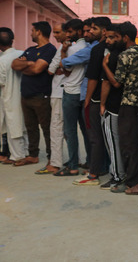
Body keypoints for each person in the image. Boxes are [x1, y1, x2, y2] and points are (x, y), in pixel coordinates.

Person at [103, 22, 138, 194]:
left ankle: (131, 181)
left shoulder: (124, 55)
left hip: (128, 104)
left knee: (128, 144)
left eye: (117, 37)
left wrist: (105, 66)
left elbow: (116, 82)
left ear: (125, 38)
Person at [11, 21, 57, 167]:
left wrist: (27, 65)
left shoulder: (50, 49)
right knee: (30, 127)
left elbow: (38, 69)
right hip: (26, 95)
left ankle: (52, 157)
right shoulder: (30, 50)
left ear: (38, 32)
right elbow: (14, 65)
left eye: (32, 30)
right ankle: (33, 155)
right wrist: (30, 64)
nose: (30, 33)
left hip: (41, 95)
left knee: (47, 128)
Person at [52, 19, 89, 177]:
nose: (67, 35)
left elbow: (65, 71)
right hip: (82, 92)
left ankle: (73, 166)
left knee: (70, 131)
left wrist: (62, 52)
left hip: (71, 91)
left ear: (79, 32)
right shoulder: (88, 47)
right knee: (86, 130)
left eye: (70, 31)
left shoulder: (72, 49)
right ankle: (90, 162)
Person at [80, 17, 112, 185]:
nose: (90, 31)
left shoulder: (98, 49)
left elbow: (92, 78)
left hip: (97, 97)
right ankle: (105, 168)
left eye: (94, 28)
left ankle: (93, 173)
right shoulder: (115, 48)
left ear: (104, 31)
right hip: (112, 99)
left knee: (95, 137)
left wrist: (87, 100)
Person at [100, 23, 127, 191]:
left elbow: (108, 84)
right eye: (107, 37)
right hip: (124, 106)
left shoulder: (111, 58)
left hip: (113, 106)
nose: (108, 40)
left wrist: (102, 104)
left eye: (112, 37)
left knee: (113, 142)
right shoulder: (127, 54)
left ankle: (117, 176)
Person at [0, 28, 27, 164]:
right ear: (12, 40)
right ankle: (26, 152)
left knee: (13, 127)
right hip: (25, 95)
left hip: (9, 96)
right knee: (24, 125)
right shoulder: (23, 53)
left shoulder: (2, 60)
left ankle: (17, 156)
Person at [43, 23, 68, 173]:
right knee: (67, 131)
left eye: (58, 32)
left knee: (57, 129)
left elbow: (51, 69)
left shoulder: (63, 48)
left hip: (59, 93)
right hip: (62, 92)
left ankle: (55, 162)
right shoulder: (65, 47)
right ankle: (73, 159)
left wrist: (59, 67)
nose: (55, 35)